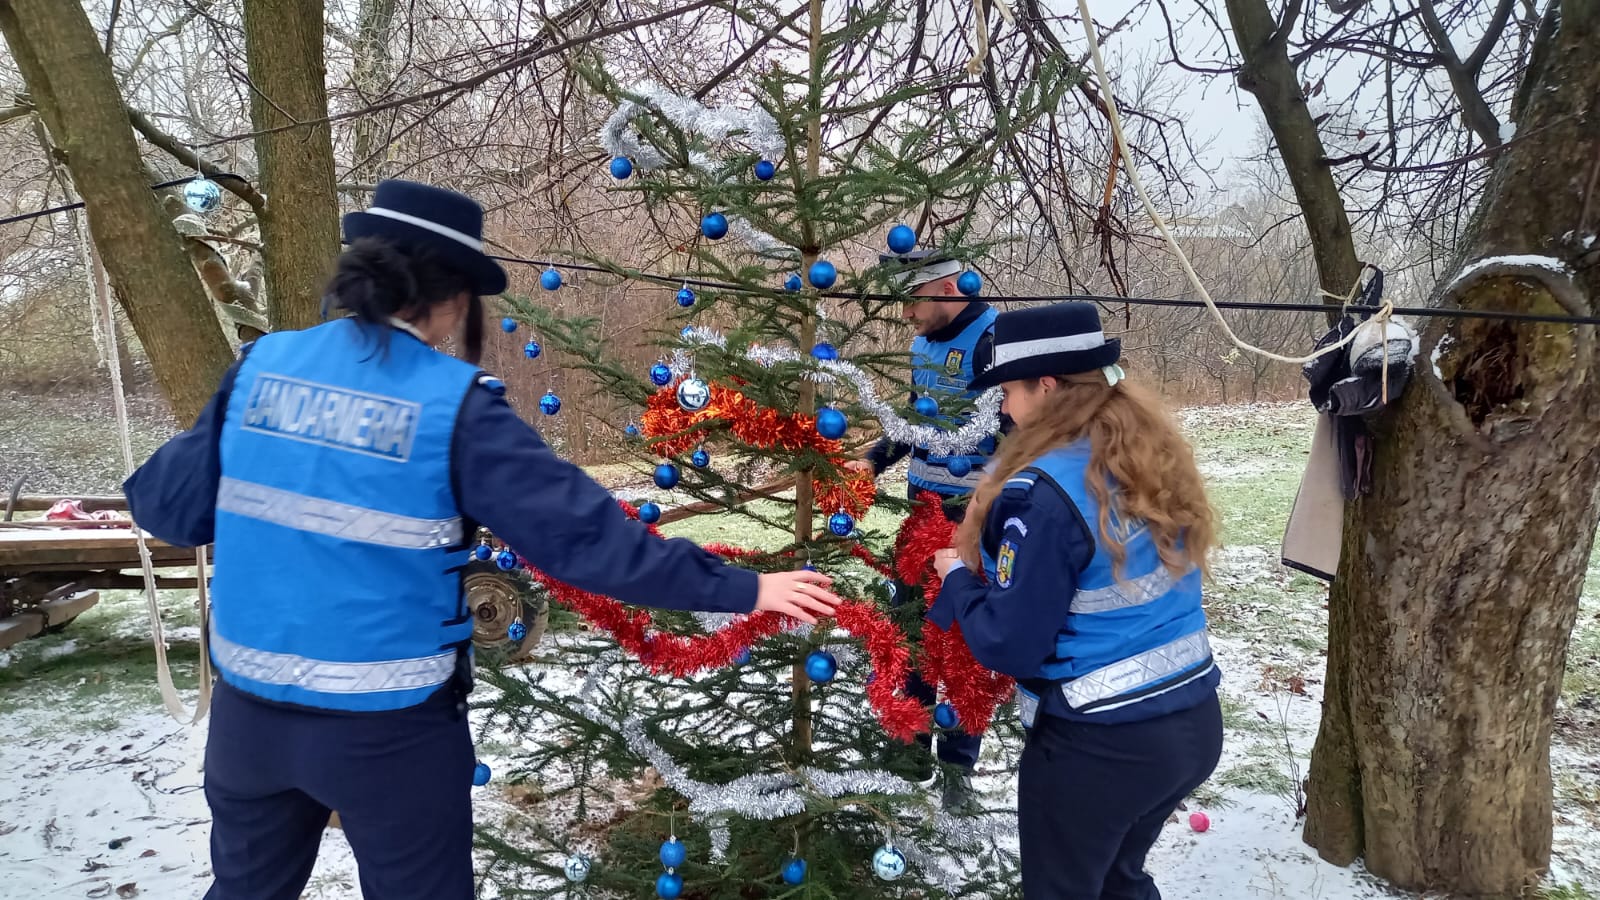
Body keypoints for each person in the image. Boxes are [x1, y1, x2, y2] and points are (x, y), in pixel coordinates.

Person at [122, 180, 842, 900]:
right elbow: (587, 541)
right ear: (453, 297)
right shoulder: (453, 408)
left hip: (247, 724)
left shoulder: (260, 368)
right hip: (389, 738)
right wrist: (747, 587)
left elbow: (167, 508)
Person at [927, 302, 1223, 899]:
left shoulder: (1042, 495)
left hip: (1101, 745)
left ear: (1047, 386)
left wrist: (957, 578)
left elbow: (1009, 643)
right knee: (1117, 880)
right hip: (1191, 719)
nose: (1004, 409)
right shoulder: (1141, 455)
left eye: (1008, 392)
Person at [845, 250, 1001, 811]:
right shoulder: (921, 345)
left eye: (911, 302)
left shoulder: (993, 342)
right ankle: (908, 754)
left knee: (960, 641)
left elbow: (1018, 435)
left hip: (971, 523)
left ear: (945, 289)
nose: (906, 315)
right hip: (920, 515)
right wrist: (872, 459)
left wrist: (985, 510)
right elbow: (914, 421)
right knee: (911, 626)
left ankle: (958, 769)